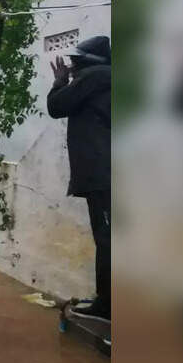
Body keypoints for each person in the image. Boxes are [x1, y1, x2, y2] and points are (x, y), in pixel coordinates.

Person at [48, 35, 112, 322]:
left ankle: (107, 304)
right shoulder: (107, 79)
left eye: (75, 61)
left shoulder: (92, 78)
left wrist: (59, 81)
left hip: (103, 176)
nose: (71, 65)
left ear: (89, 61)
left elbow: (56, 106)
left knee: (108, 240)